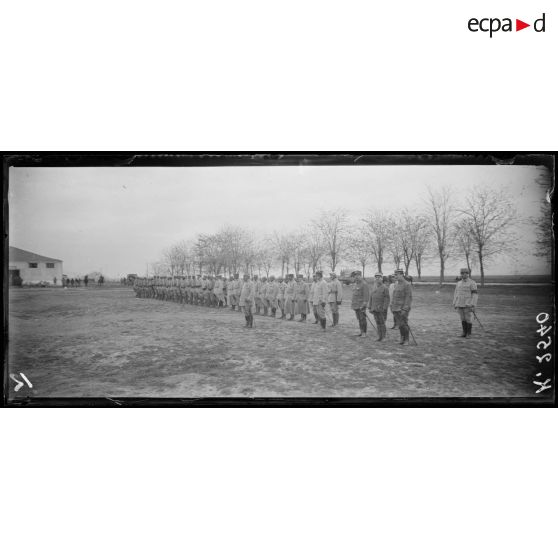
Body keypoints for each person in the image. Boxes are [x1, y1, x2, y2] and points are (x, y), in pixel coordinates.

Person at [453, 267, 478, 338]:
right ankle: (464, 332)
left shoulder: (472, 283)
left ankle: (469, 334)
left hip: (468, 304)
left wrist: (473, 304)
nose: (463, 275)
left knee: (468, 318)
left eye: (465, 273)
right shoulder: (458, 283)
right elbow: (455, 293)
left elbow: (475, 295)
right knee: (462, 318)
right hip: (459, 303)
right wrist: (454, 302)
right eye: (462, 273)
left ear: (468, 274)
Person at [391, 269, 413, 345]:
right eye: (395, 275)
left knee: (404, 324)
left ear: (401, 274)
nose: (395, 276)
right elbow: (394, 296)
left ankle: (406, 340)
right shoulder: (396, 284)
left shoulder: (407, 284)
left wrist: (405, 309)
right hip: (396, 308)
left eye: (396, 275)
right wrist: (392, 306)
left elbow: (408, 297)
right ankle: (402, 338)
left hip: (402, 308)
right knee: (400, 325)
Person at [368, 273, 390, 341]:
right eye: (376, 277)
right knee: (377, 322)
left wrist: (384, 308)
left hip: (381, 309)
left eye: (379, 277)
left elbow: (387, 299)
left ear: (382, 279)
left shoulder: (385, 288)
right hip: (374, 308)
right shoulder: (374, 287)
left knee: (382, 323)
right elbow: (371, 297)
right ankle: (379, 336)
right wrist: (370, 306)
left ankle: (383, 337)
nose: (377, 279)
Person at [351, 271, 370, 337]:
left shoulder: (364, 284)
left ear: (360, 276)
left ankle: (364, 333)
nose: (356, 277)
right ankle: (361, 332)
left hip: (361, 305)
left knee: (362, 319)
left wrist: (364, 305)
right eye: (355, 276)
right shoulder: (356, 284)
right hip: (356, 305)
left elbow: (366, 296)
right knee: (359, 319)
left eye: (357, 276)